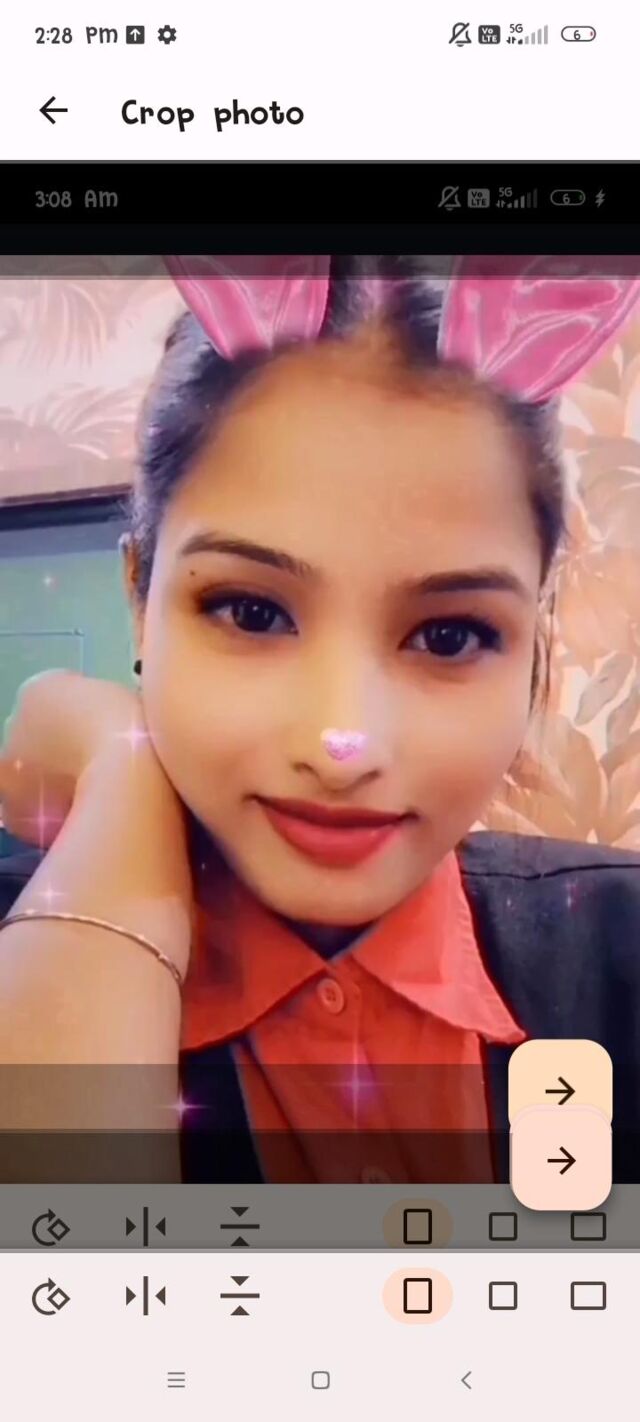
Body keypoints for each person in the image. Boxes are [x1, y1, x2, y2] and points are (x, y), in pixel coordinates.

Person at [1, 253, 640, 1185]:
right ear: (139, 598)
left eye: (450, 634)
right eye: (252, 612)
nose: (344, 746)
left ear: (532, 636)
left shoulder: (620, 946)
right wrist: (119, 778)